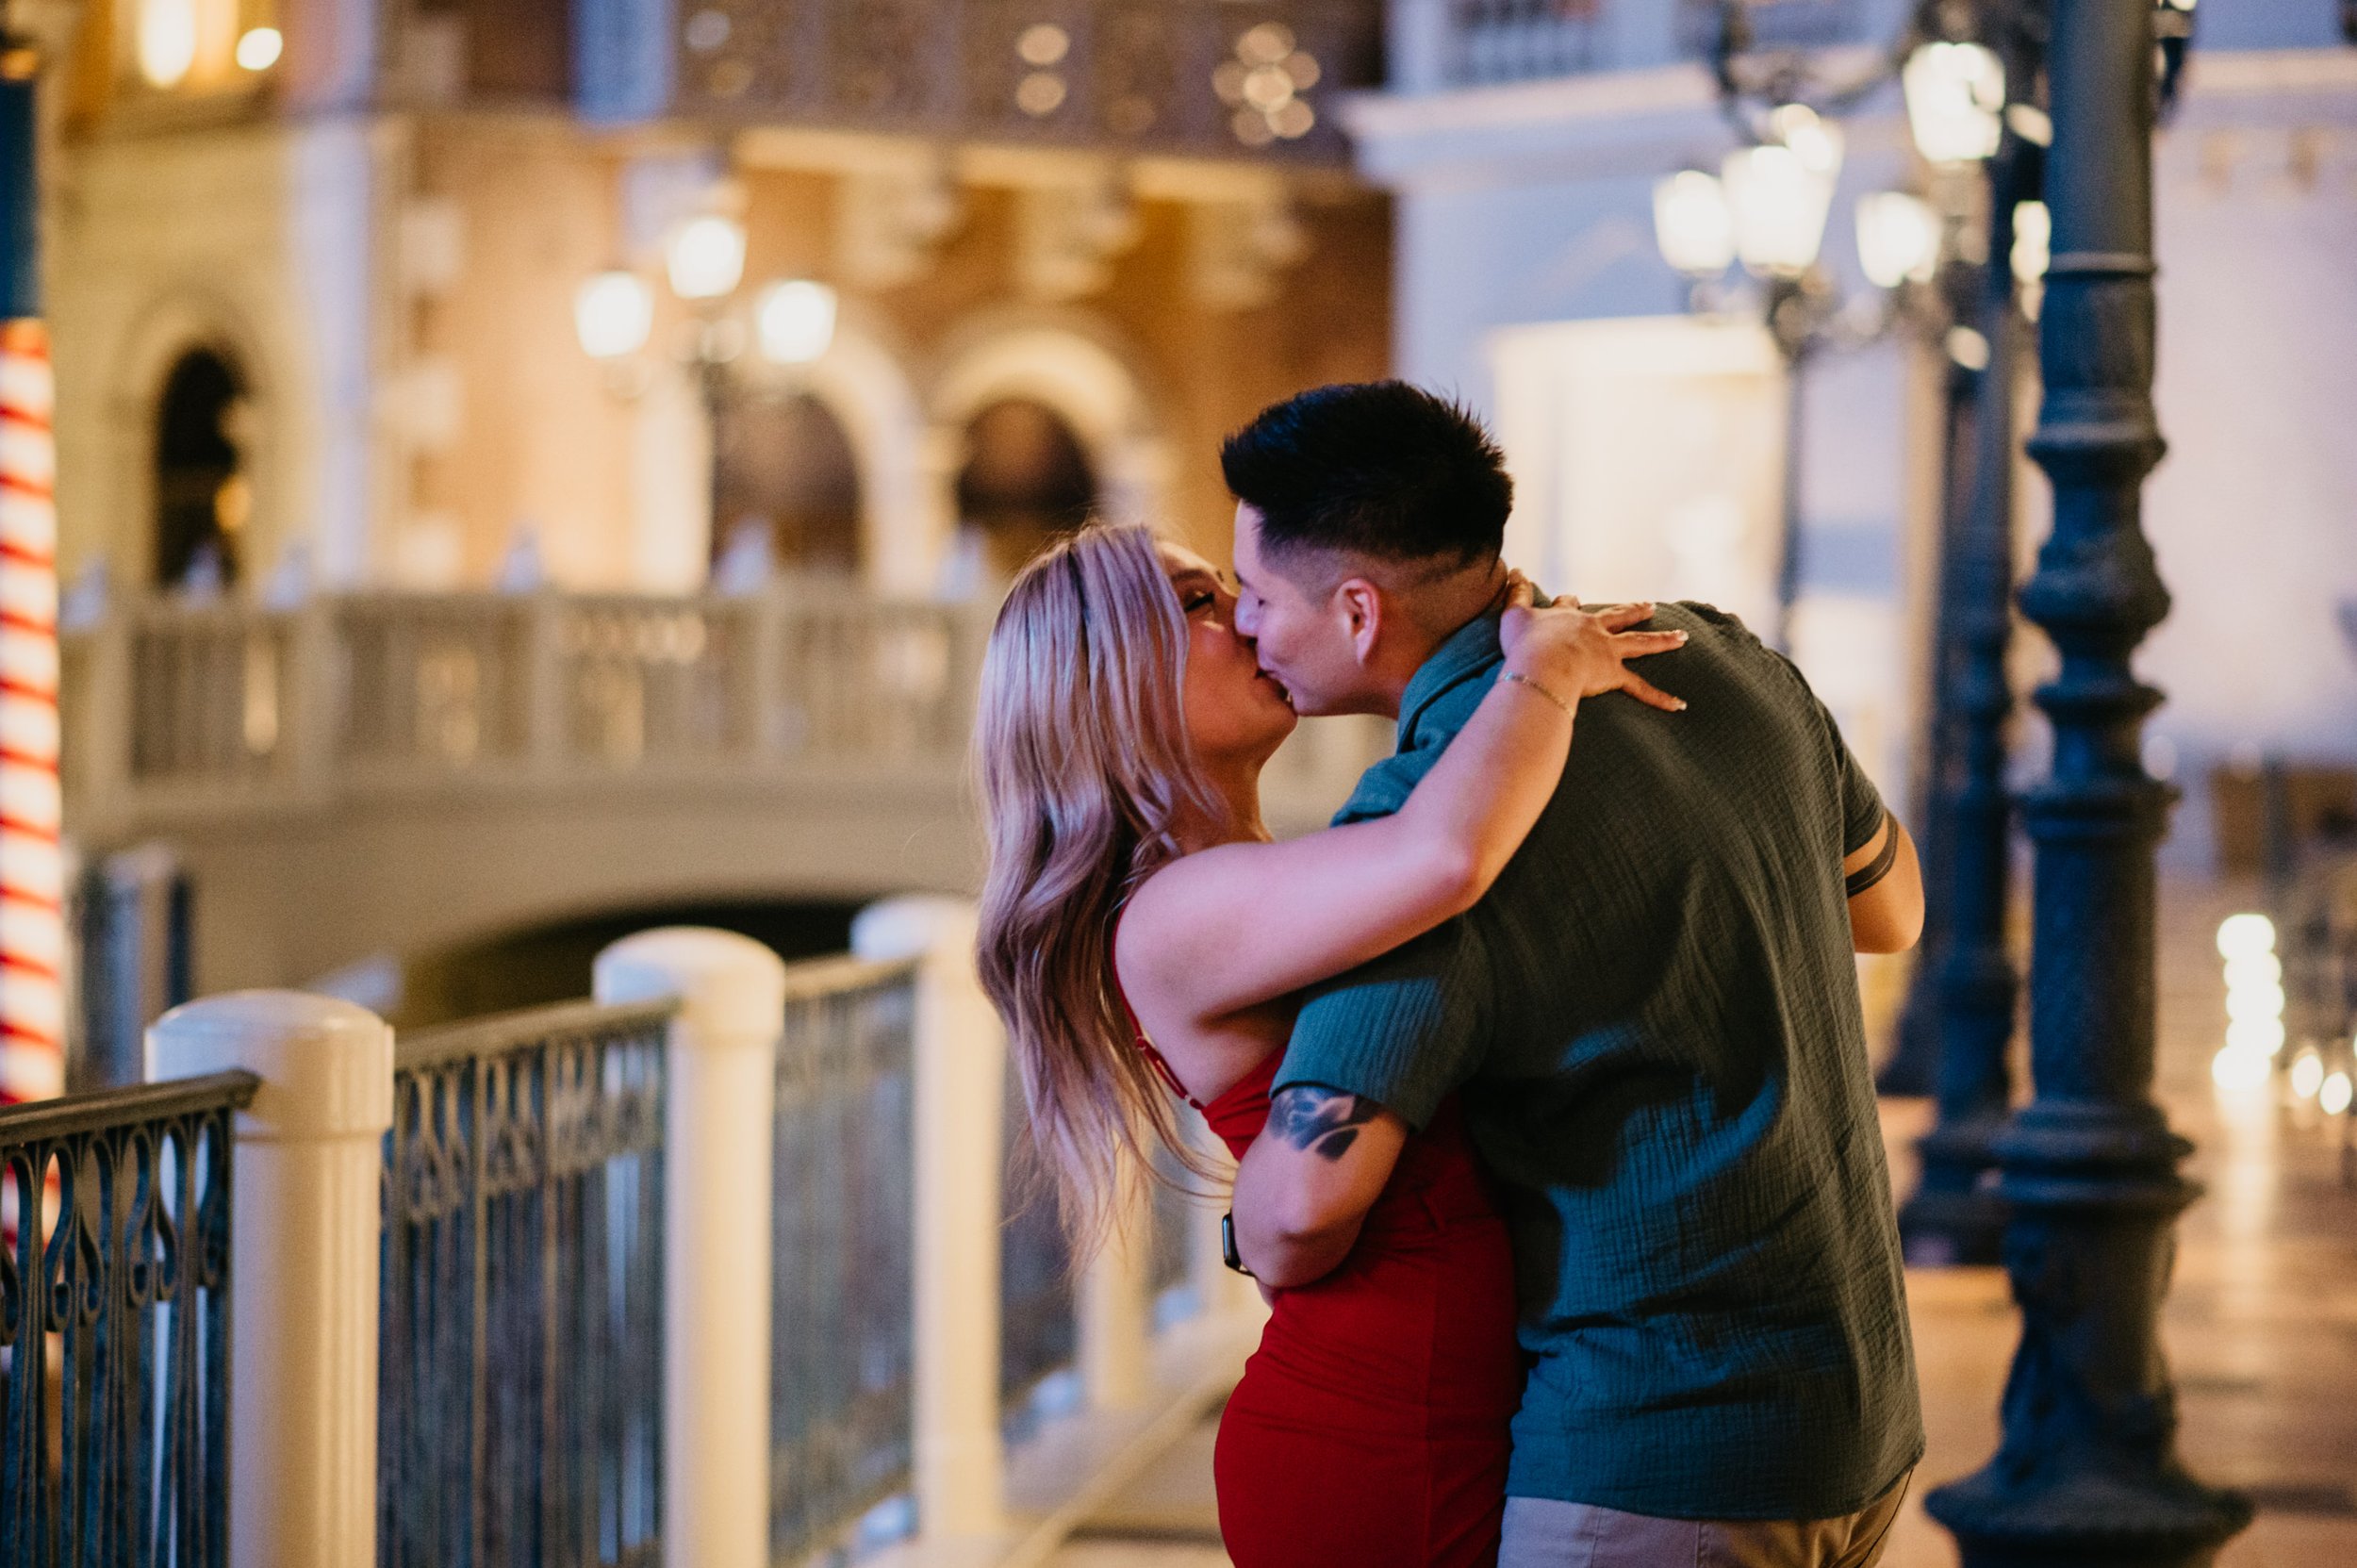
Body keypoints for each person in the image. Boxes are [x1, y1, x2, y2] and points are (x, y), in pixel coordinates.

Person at [1221, 381, 1926, 1568]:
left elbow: (1299, 1211)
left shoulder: (1423, 821)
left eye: (1255, 595)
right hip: (1860, 1425)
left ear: (1355, 610)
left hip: (1658, 1459)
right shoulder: (1717, 652)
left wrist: (1238, 1229)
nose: (1245, 627)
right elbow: (1892, 906)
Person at [974, 520, 1688, 1566]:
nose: (1252, 618)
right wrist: (1542, 675)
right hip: (1378, 1438)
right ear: (1107, 681)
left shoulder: (1253, 874)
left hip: (1456, 1396)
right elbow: (1446, 853)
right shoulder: (1170, 913)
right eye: (1199, 603)